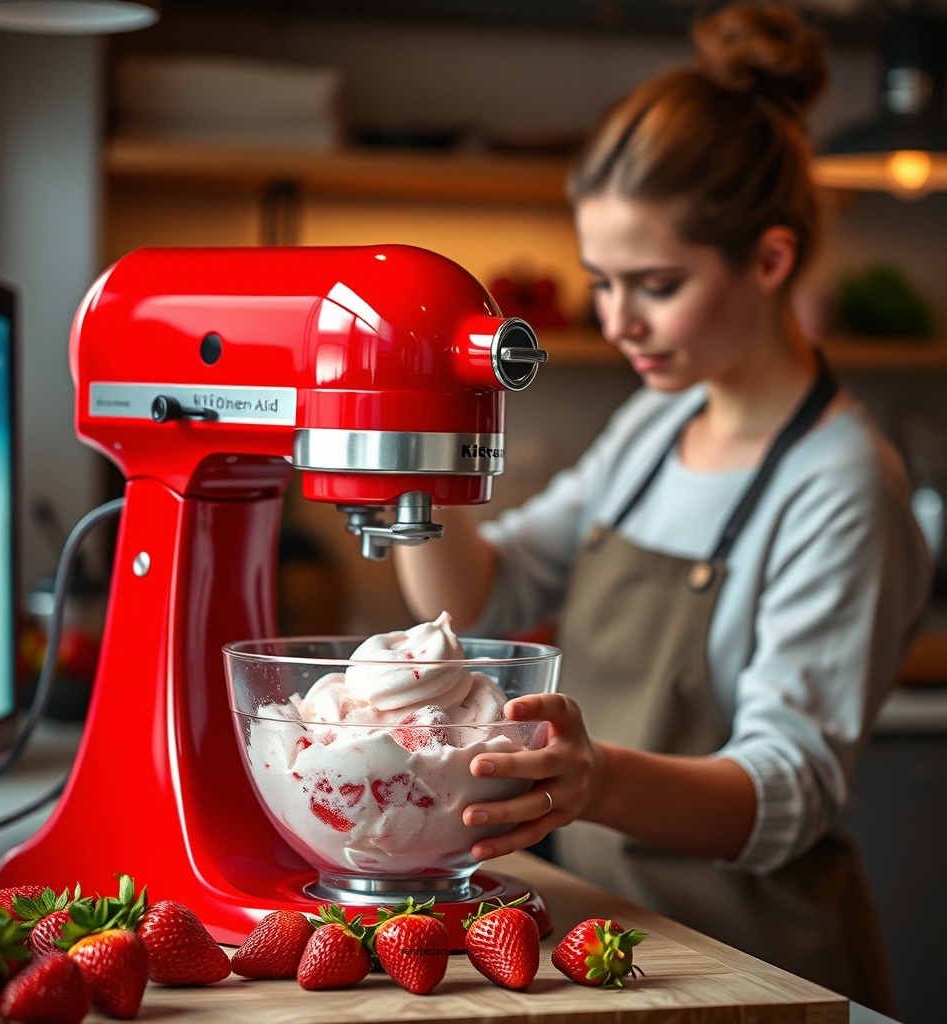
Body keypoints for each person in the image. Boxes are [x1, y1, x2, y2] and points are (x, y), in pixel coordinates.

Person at [395, 0, 932, 1008]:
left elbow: (788, 789)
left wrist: (595, 781)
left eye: (654, 283)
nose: (618, 320)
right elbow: (480, 588)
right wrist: (413, 455)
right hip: (610, 939)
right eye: (601, 282)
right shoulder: (655, 424)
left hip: (755, 965)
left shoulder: (841, 482)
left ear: (769, 261)